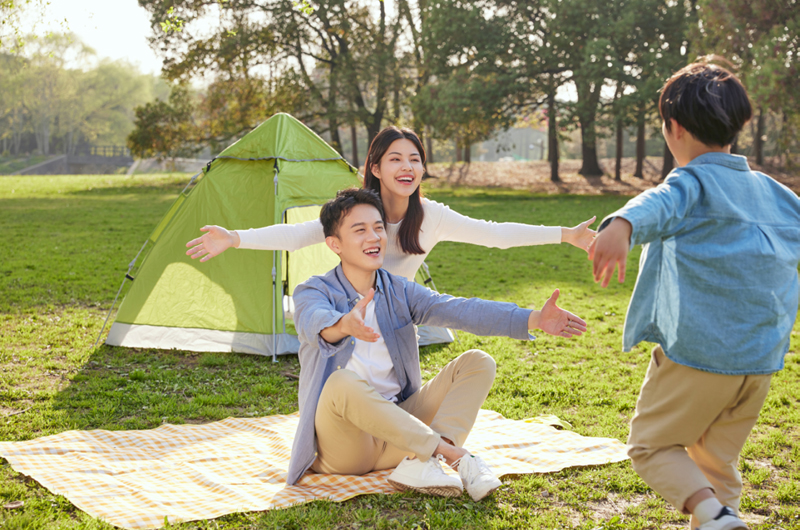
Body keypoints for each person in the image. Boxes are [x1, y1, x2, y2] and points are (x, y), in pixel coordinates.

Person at [589, 61, 800, 530]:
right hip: (760, 361)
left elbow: (658, 202)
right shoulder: (776, 193)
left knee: (651, 445)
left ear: (674, 128)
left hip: (701, 354)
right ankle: (720, 518)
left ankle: (711, 514)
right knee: (714, 464)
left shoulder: (692, 182)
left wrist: (621, 224)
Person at [287, 187, 587, 501]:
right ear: (335, 244)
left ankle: (423, 463)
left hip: (399, 437)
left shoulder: (399, 289)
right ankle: (451, 455)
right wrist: (343, 325)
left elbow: (458, 309)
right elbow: (311, 321)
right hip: (346, 449)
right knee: (341, 383)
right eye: (359, 230)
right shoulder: (313, 290)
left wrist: (534, 318)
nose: (373, 237)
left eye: (378, 228)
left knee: (478, 362)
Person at [184, 126, 597, 283]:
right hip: (350, 323)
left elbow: (496, 235)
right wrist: (235, 238)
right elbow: (296, 235)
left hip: (399, 326)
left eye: (415, 159)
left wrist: (567, 235)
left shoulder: (431, 217)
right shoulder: (354, 212)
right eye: (396, 159)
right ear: (376, 168)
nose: (407, 167)